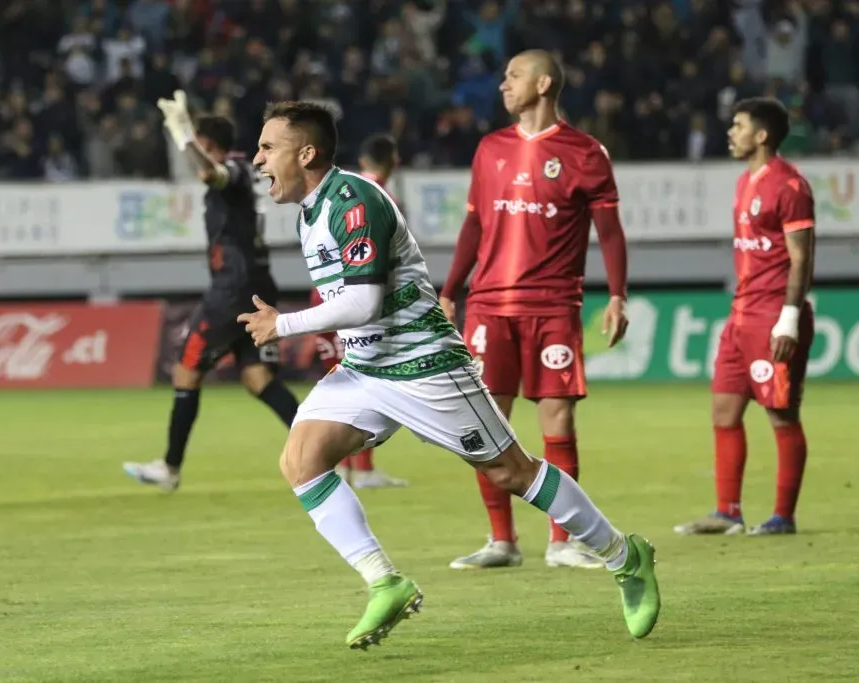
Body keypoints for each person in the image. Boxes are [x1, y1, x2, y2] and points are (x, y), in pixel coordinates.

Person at [238, 99, 660, 649]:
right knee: (301, 459)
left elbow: (363, 302)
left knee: (512, 472)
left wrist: (285, 323)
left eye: (268, 147)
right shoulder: (311, 212)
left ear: (307, 152)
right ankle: (384, 581)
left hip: (424, 365)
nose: (258, 159)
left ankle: (625, 558)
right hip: (367, 368)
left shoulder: (354, 200)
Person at [439, 51, 630, 570]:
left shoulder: (586, 153)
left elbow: (609, 231)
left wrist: (617, 295)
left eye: (514, 76)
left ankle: (562, 541)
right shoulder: (490, 148)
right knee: (484, 425)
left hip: (553, 305)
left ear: (544, 83)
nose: (503, 85)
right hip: (490, 305)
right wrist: (450, 289)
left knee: (558, 418)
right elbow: (474, 228)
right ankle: (502, 540)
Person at [123, 92, 300, 492]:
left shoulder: (234, 169)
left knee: (187, 370)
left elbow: (209, 173)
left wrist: (183, 135)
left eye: (198, 145)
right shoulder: (242, 173)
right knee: (258, 379)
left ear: (209, 145)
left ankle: (169, 468)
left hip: (232, 290)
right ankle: (323, 453)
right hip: (256, 284)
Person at [675, 98, 815, 536]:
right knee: (723, 410)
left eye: (738, 126)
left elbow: (801, 258)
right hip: (740, 315)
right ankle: (727, 512)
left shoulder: (790, 186)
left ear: (762, 135)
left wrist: (789, 317)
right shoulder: (743, 183)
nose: (730, 133)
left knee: (781, 415)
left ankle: (782, 516)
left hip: (773, 316)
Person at [311, 133, 407, 489]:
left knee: (345, 386)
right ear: (392, 161)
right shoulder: (381, 196)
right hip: (355, 308)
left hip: (326, 301)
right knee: (365, 383)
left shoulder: (340, 193)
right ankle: (352, 467)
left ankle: (348, 467)